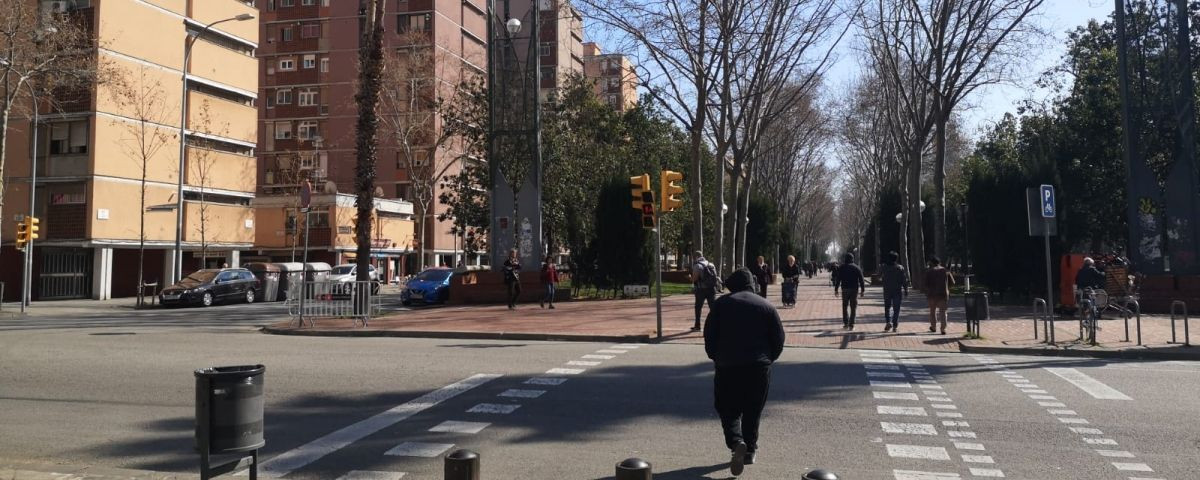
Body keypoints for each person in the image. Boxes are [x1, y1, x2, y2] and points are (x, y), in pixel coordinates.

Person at [703, 268, 785, 476]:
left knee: (727, 408)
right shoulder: (766, 306)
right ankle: (750, 449)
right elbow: (778, 339)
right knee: (753, 409)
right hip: (758, 366)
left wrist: (716, 356)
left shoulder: (721, 304)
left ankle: (736, 441)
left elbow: (710, 335)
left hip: (727, 365)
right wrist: (769, 358)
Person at [879, 251, 909, 332]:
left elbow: (879, 276)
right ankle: (895, 325)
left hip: (887, 290)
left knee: (887, 308)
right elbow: (904, 280)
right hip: (897, 291)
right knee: (896, 309)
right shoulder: (900, 268)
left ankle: (888, 322)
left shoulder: (884, 267)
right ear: (896, 259)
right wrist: (906, 289)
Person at [924, 257, 955, 334]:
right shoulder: (945, 271)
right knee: (943, 312)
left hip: (932, 294)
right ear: (939, 262)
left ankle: (933, 327)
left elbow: (926, 284)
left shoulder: (929, 272)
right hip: (943, 294)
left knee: (932, 311)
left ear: (931, 263)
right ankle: (943, 329)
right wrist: (947, 288)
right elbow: (953, 282)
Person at [691, 251, 722, 332]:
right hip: (712, 289)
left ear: (696, 257)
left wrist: (690, 278)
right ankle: (717, 325)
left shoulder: (697, 265)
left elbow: (695, 279)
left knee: (698, 308)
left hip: (701, 289)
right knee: (713, 308)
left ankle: (697, 326)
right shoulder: (711, 264)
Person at [835, 254, 866, 330]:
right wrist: (862, 290)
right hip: (854, 289)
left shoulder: (841, 267)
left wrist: (836, 289)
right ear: (852, 259)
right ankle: (851, 324)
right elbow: (861, 279)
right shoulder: (856, 267)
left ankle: (846, 323)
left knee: (845, 306)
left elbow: (838, 279)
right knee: (853, 307)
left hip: (845, 289)